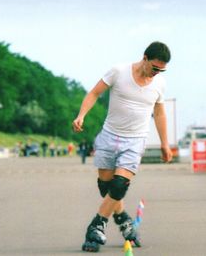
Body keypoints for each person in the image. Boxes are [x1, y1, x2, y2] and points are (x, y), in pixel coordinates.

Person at [72, 41, 173, 252]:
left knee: (119, 186)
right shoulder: (119, 71)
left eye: (161, 70)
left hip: (135, 140)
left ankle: (97, 225)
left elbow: (160, 113)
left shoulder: (159, 83)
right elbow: (94, 93)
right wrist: (81, 115)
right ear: (144, 58)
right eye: (154, 68)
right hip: (109, 136)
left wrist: (165, 143)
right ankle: (123, 219)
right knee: (106, 187)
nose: (156, 73)